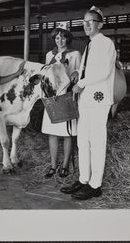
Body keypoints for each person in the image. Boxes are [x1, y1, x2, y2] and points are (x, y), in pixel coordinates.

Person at [60, 6, 116, 199]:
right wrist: (78, 74)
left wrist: (81, 83)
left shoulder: (105, 43)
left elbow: (103, 72)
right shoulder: (90, 45)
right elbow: (88, 69)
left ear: (99, 24)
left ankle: (95, 185)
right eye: (83, 22)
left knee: (97, 143)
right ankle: (84, 179)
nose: (86, 25)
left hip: (98, 100)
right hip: (86, 100)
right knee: (83, 142)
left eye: (90, 22)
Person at [41, 23, 81, 178]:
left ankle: (64, 166)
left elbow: (80, 71)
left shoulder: (75, 54)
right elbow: (46, 74)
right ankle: (53, 165)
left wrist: (76, 74)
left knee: (66, 134)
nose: (60, 41)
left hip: (67, 96)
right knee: (52, 133)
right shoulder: (49, 55)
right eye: (57, 38)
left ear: (68, 39)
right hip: (52, 98)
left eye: (63, 37)